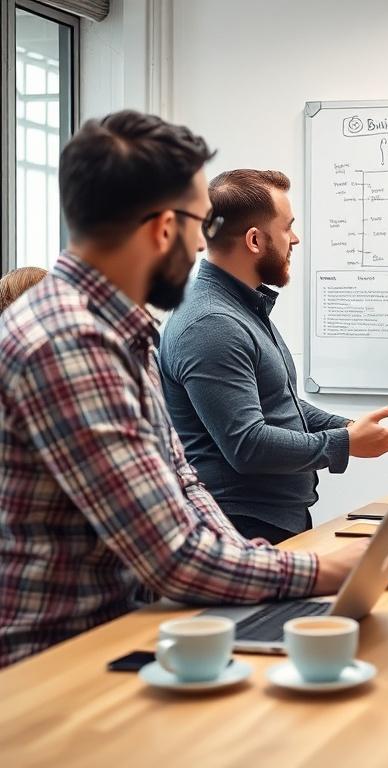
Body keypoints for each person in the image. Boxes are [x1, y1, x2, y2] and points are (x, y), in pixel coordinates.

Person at [0, 111, 366, 668]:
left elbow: (183, 482)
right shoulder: (70, 343)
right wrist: (322, 569)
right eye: (198, 222)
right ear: (162, 228)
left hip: (114, 637)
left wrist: (245, 553)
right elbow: (170, 554)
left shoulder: (118, 329)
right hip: (58, 663)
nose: (203, 242)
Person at [160, 169, 388, 544]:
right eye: (287, 227)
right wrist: (344, 444)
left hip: (270, 521)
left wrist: (349, 428)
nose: (295, 239)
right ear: (254, 240)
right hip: (240, 529)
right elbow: (247, 445)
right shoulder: (211, 324)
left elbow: (278, 401)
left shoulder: (240, 308)